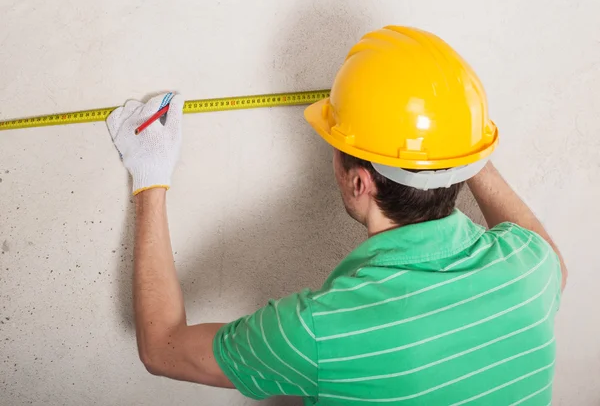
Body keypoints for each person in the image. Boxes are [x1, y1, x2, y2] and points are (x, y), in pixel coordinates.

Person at [107, 26, 567, 405]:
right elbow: (551, 260)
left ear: (359, 182)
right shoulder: (531, 270)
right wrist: (449, 140)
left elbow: (162, 348)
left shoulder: (321, 328)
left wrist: (151, 175)